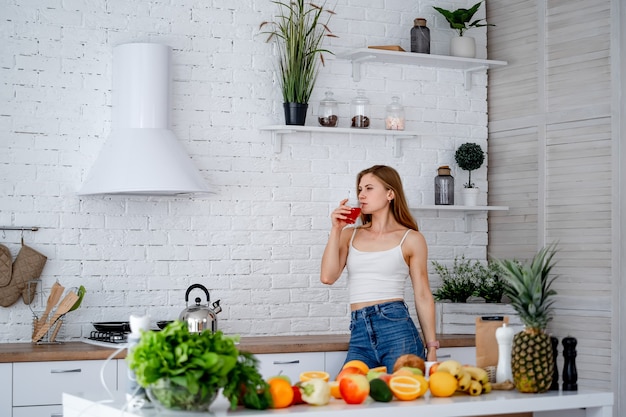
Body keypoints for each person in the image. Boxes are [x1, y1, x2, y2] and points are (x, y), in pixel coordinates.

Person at [320, 165, 438, 371]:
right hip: (359, 331)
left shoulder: (411, 239)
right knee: (345, 396)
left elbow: (422, 294)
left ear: (390, 194)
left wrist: (432, 347)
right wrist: (336, 229)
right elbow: (328, 277)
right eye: (359, 189)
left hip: (397, 329)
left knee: (405, 398)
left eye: (369, 188)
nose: (361, 195)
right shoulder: (350, 235)